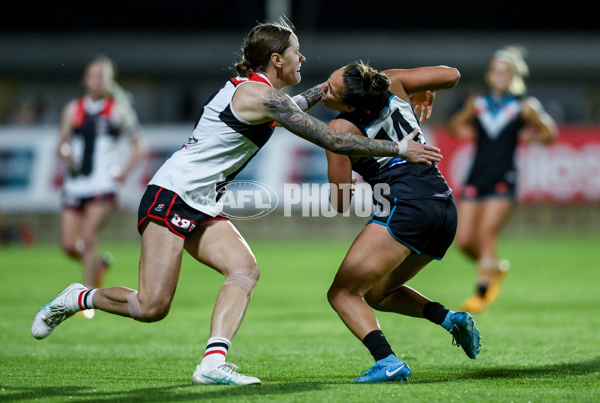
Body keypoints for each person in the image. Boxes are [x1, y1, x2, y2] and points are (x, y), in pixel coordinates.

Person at [32, 19, 442, 386]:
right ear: (278, 60)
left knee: (244, 269)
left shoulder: (262, 95)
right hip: (171, 195)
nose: (304, 57)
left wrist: (323, 89)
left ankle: (213, 363)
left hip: (202, 201)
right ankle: (77, 297)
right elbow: (330, 138)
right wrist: (398, 148)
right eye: (297, 52)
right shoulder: (257, 96)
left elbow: (289, 109)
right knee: (151, 305)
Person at [322, 61, 481, 383]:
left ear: (351, 105)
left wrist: (344, 186)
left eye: (330, 89)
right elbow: (453, 74)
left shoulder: (339, 130)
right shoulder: (393, 82)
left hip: (407, 206)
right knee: (379, 293)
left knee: (343, 294)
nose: (322, 89)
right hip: (443, 207)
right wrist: (425, 89)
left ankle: (388, 362)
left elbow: (339, 205)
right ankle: (451, 319)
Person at [448, 46, 557, 313]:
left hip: (504, 176)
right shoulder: (478, 103)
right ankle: (494, 268)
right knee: (463, 241)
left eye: (505, 71)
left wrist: (531, 136)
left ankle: (481, 293)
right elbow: (455, 126)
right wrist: (468, 130)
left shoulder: (523, 106)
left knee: (486, 233)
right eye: (496, 70)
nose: (500, 75)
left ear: (513, 76)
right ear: (489, 75)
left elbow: (549, 132)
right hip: (477, 174)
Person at [57, 55, 146, 318]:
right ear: (85, 79)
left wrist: (123, 174)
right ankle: (98, 264)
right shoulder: (73, 109)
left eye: (102, 76)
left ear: (109, 80)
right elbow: (62, 143)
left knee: (88, 237)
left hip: (104, 185)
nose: (97, 80)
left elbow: (139, 146)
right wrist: (65, 153)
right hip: (76, 183)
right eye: (93, 75)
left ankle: (86, 298)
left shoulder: (118, 109)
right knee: (69, 245)